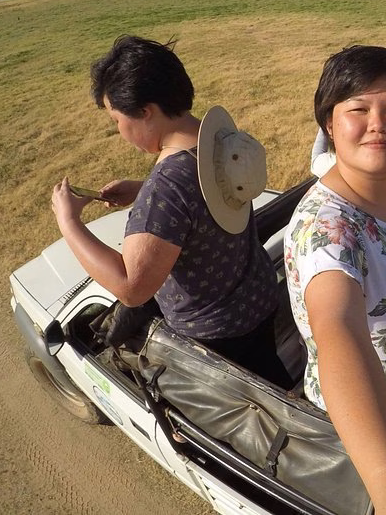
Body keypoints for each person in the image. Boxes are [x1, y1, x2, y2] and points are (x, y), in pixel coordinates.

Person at [50, 35, 291, 388]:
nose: (119, 131)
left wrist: (69, 222)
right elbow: (201, 196)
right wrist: (144, 189)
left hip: (218, 339)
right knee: (270, 377)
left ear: (146, 110)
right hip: (258, 299)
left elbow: (132, 288)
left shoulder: (168, 188)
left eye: (116, 120)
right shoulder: (217, 142)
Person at [284, 45, 386, 515]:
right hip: (369, 429)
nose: (378, 123)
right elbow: (339, 331)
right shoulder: (327, 230)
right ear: (329, 125)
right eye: (358, 108)